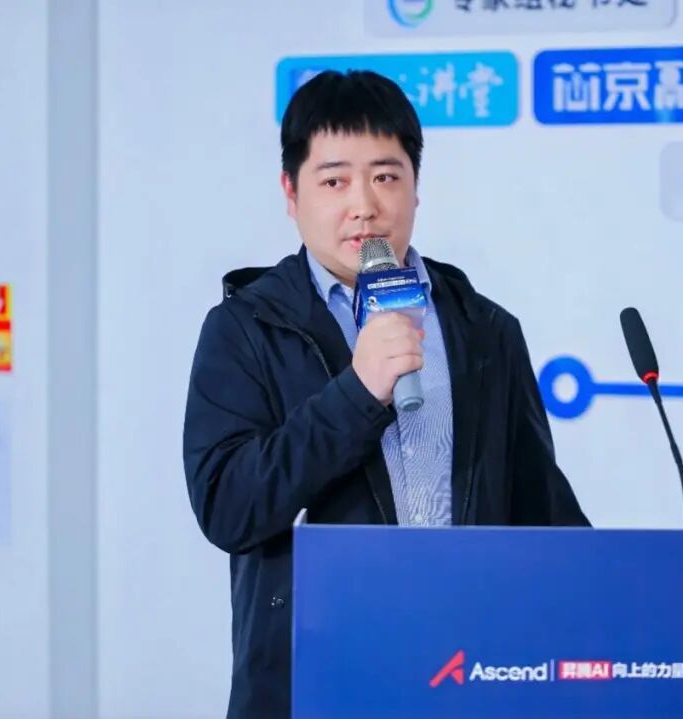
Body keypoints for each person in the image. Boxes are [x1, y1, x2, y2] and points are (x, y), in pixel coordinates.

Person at [183, 69, 589, 719]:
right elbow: (229, 507)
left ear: (415, 188)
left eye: (385, 176)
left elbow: (542, 514)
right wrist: (357, 392)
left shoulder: (485, 329)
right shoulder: (246, 329)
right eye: (334, 180)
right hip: (314, 679)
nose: (364, 204)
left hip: (466, 675)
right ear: (291, 192)